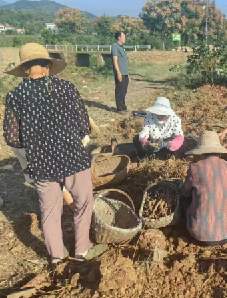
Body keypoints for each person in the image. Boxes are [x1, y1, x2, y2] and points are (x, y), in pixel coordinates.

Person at [3, 43, 107, 264]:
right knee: (83, 204)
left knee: (49, 214)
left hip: (41, 164)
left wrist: (33, 143)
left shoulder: (15, 96)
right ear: (48, 67)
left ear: (24, 70)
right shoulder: (67, 88)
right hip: (74, 159)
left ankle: (57, 257)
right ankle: (81, 250)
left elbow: (11, 138)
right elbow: (83, 126)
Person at [182, 131, 227, 246]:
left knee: (185, 200)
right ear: (219, 152)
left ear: (200, 153)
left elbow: (185, 192)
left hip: (202, 236)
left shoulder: (195, 168)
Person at [112, 31, 130, 114]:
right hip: (120, 73)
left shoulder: (122, 47)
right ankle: (119, 108)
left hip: (125, 73)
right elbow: (115, 61)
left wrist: (128, 75)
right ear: (119, 37)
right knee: (120, 90)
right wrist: (118, 72)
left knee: (124, 90)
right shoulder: (115, 46)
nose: (124, 38)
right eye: (123, 36)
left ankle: (123, 106)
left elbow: (124, 62)